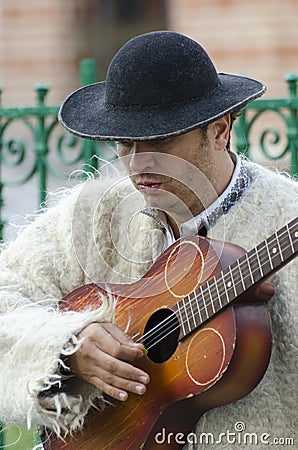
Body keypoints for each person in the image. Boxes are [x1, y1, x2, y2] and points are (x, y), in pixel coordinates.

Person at [0, 31, 297, 449]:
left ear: (220, 129)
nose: (138, 164)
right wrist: (68, 343)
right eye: (124, 142)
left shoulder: (286, 217)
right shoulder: (96, 214)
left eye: (159, 139)